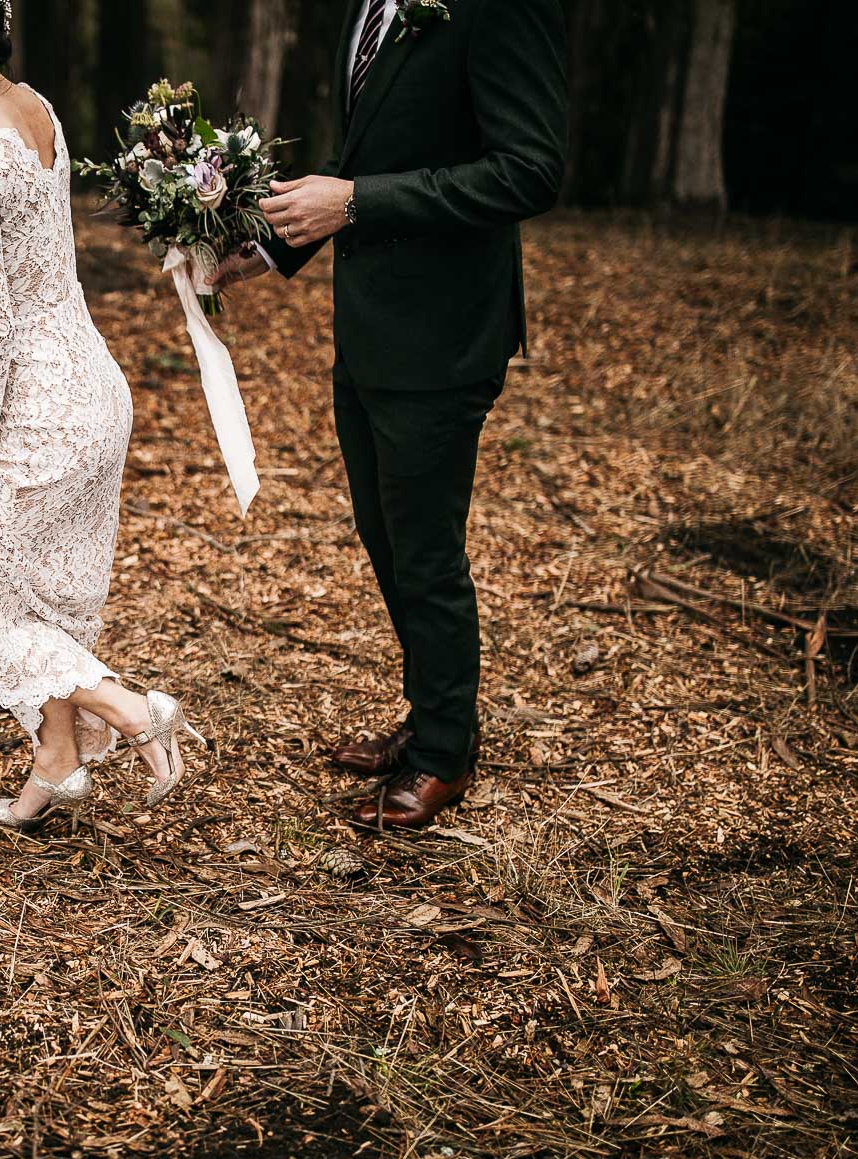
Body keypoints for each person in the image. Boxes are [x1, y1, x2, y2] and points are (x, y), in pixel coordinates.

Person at [211, 0, 568, 830]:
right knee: (386, 534)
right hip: (372, 326)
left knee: (426, 548)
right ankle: (430, 713)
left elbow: (529, 170)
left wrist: (360, 202)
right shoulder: (372, 9)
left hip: (445, 335)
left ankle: (446, 751)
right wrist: (270, 246)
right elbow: (364, 158)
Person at [0, 0, 204, 831]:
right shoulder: (37, 107)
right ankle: (57, 766)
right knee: (35, 597)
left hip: (43, 408)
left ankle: (133, 712)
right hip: (96, 387)